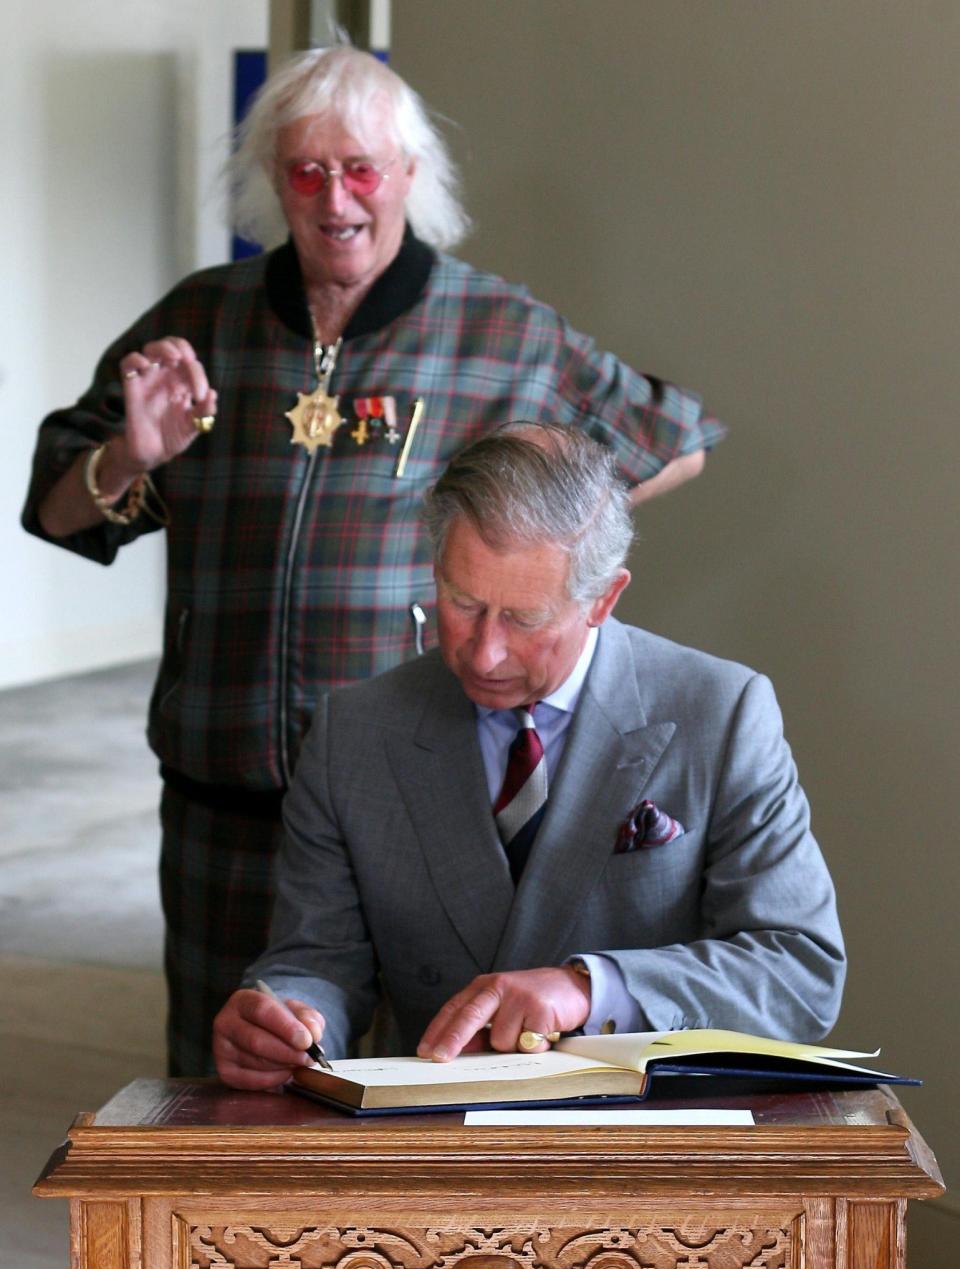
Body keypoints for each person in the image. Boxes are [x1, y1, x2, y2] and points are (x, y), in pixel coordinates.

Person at [22, 45, 725, 1076]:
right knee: (235, 1081)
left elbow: (677, 438)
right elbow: (55, 511)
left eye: (360, 168)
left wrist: (529, 517)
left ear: (408, 177)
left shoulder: (498, 328)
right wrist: (135, 453)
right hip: (226, 798)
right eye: (305, 171)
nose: (334, 197)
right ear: (275, 183)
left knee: (418, 1093)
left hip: (415, 806)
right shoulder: (200, 320)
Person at [213, 425, 844, 1090]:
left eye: (523, 619)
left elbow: (799, 972)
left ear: (605, 598)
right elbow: (319, 961)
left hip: (651, 1139)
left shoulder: (721, 712)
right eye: (462, 603)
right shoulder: (355, 731)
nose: (483, 653)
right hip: (432, 1141)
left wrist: (591, 989)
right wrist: (288, 1019)